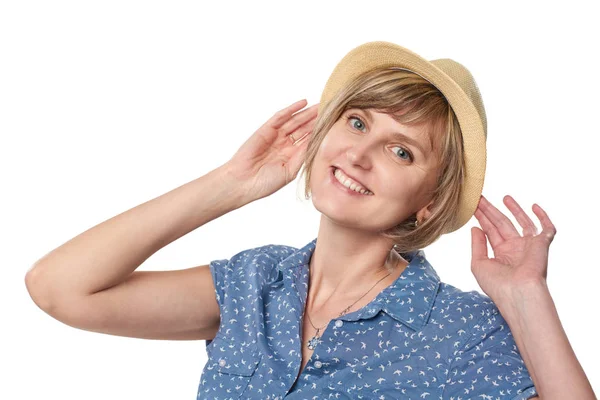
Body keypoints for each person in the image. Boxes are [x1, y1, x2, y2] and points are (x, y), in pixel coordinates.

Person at [24, 41, 595, 399]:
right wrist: (231, 184)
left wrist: (526, 297)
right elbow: (61, 290)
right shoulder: (255, 285)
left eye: (402, 152)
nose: (359, 154)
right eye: (356, 122)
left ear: (428, 202)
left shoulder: (462, 331)